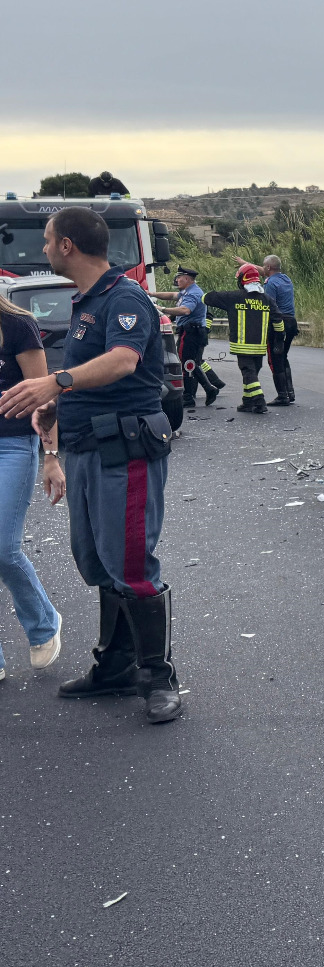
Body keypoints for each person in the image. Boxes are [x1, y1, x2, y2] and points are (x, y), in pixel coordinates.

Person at [0, 207, 180, 722]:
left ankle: (159, 678)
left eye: (48, 240)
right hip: (85, 447)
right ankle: (117, 666)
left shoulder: (124, 297)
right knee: (96, 559)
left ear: (67, 247)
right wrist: (58, 408)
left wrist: (54, 383)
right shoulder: (86, 303)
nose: (42, 249)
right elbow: (94, 376)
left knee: (129, 562)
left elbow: (124, 361)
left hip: (123, 452)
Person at [0, 295, 64, 682]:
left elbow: (45, 395)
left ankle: (44, 625)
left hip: (11, 444)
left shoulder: (17, 325)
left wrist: (51, 455)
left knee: (3, 548)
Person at [203, 263, 284, 414]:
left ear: (242, 280)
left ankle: (259, 401)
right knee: (252, 373)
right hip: (259, 347)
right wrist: (279, 340)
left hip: (242, 346)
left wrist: (196, 295)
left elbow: (208, 298)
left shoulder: (233, 297)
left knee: (248, 373)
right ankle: (247, 402)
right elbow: (278, 321)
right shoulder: (266, 299)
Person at [151, 266, 225, 407]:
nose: (177, 279)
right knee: (191, 363)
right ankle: (206, 390)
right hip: (193, 332)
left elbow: (185, 310)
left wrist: (162, 309)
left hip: (191, 332)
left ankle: (191, 395)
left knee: (187, 364)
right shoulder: (187, 291)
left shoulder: (192, 294)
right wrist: (152, 293)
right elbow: (172, 295)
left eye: (179, 277)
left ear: (186, 278)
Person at [260, 255, 297, 406]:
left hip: (278, 324)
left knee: (275, 360)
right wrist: (244, 263)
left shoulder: (270, 284)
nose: (262, 268)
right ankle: (290, 392)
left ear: (268, 268)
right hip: (291, 322)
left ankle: (282, 396)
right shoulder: (286, 278)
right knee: (283, 357)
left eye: (263, 266)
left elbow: (271, 307)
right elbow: (265, 269)